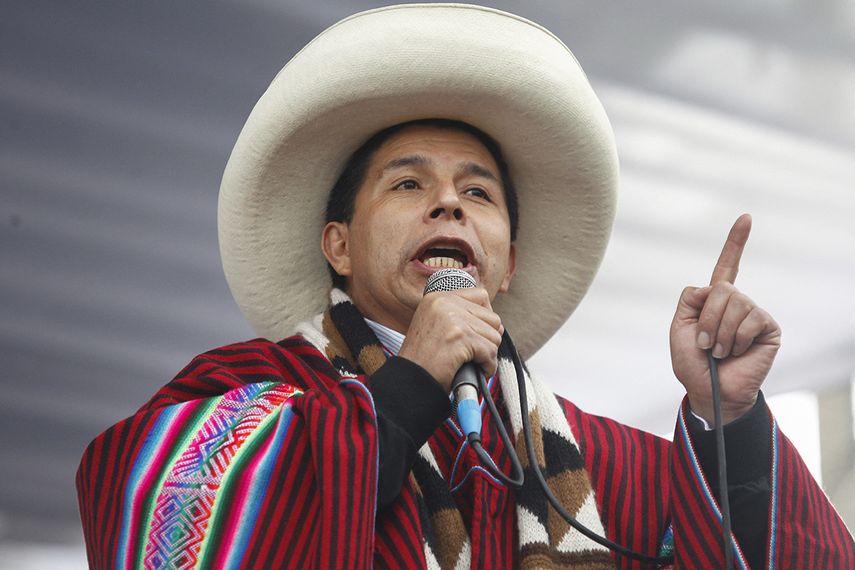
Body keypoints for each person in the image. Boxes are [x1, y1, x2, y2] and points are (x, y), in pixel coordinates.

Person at [76, 4, 854, 569]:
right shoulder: (248, 392)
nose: (448, 203)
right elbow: (159, 513)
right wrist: (411, 383)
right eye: (408, 184)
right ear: (337, 246)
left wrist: (730, 419)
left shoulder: (602, 463)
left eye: (478, 194)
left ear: (506, 262)